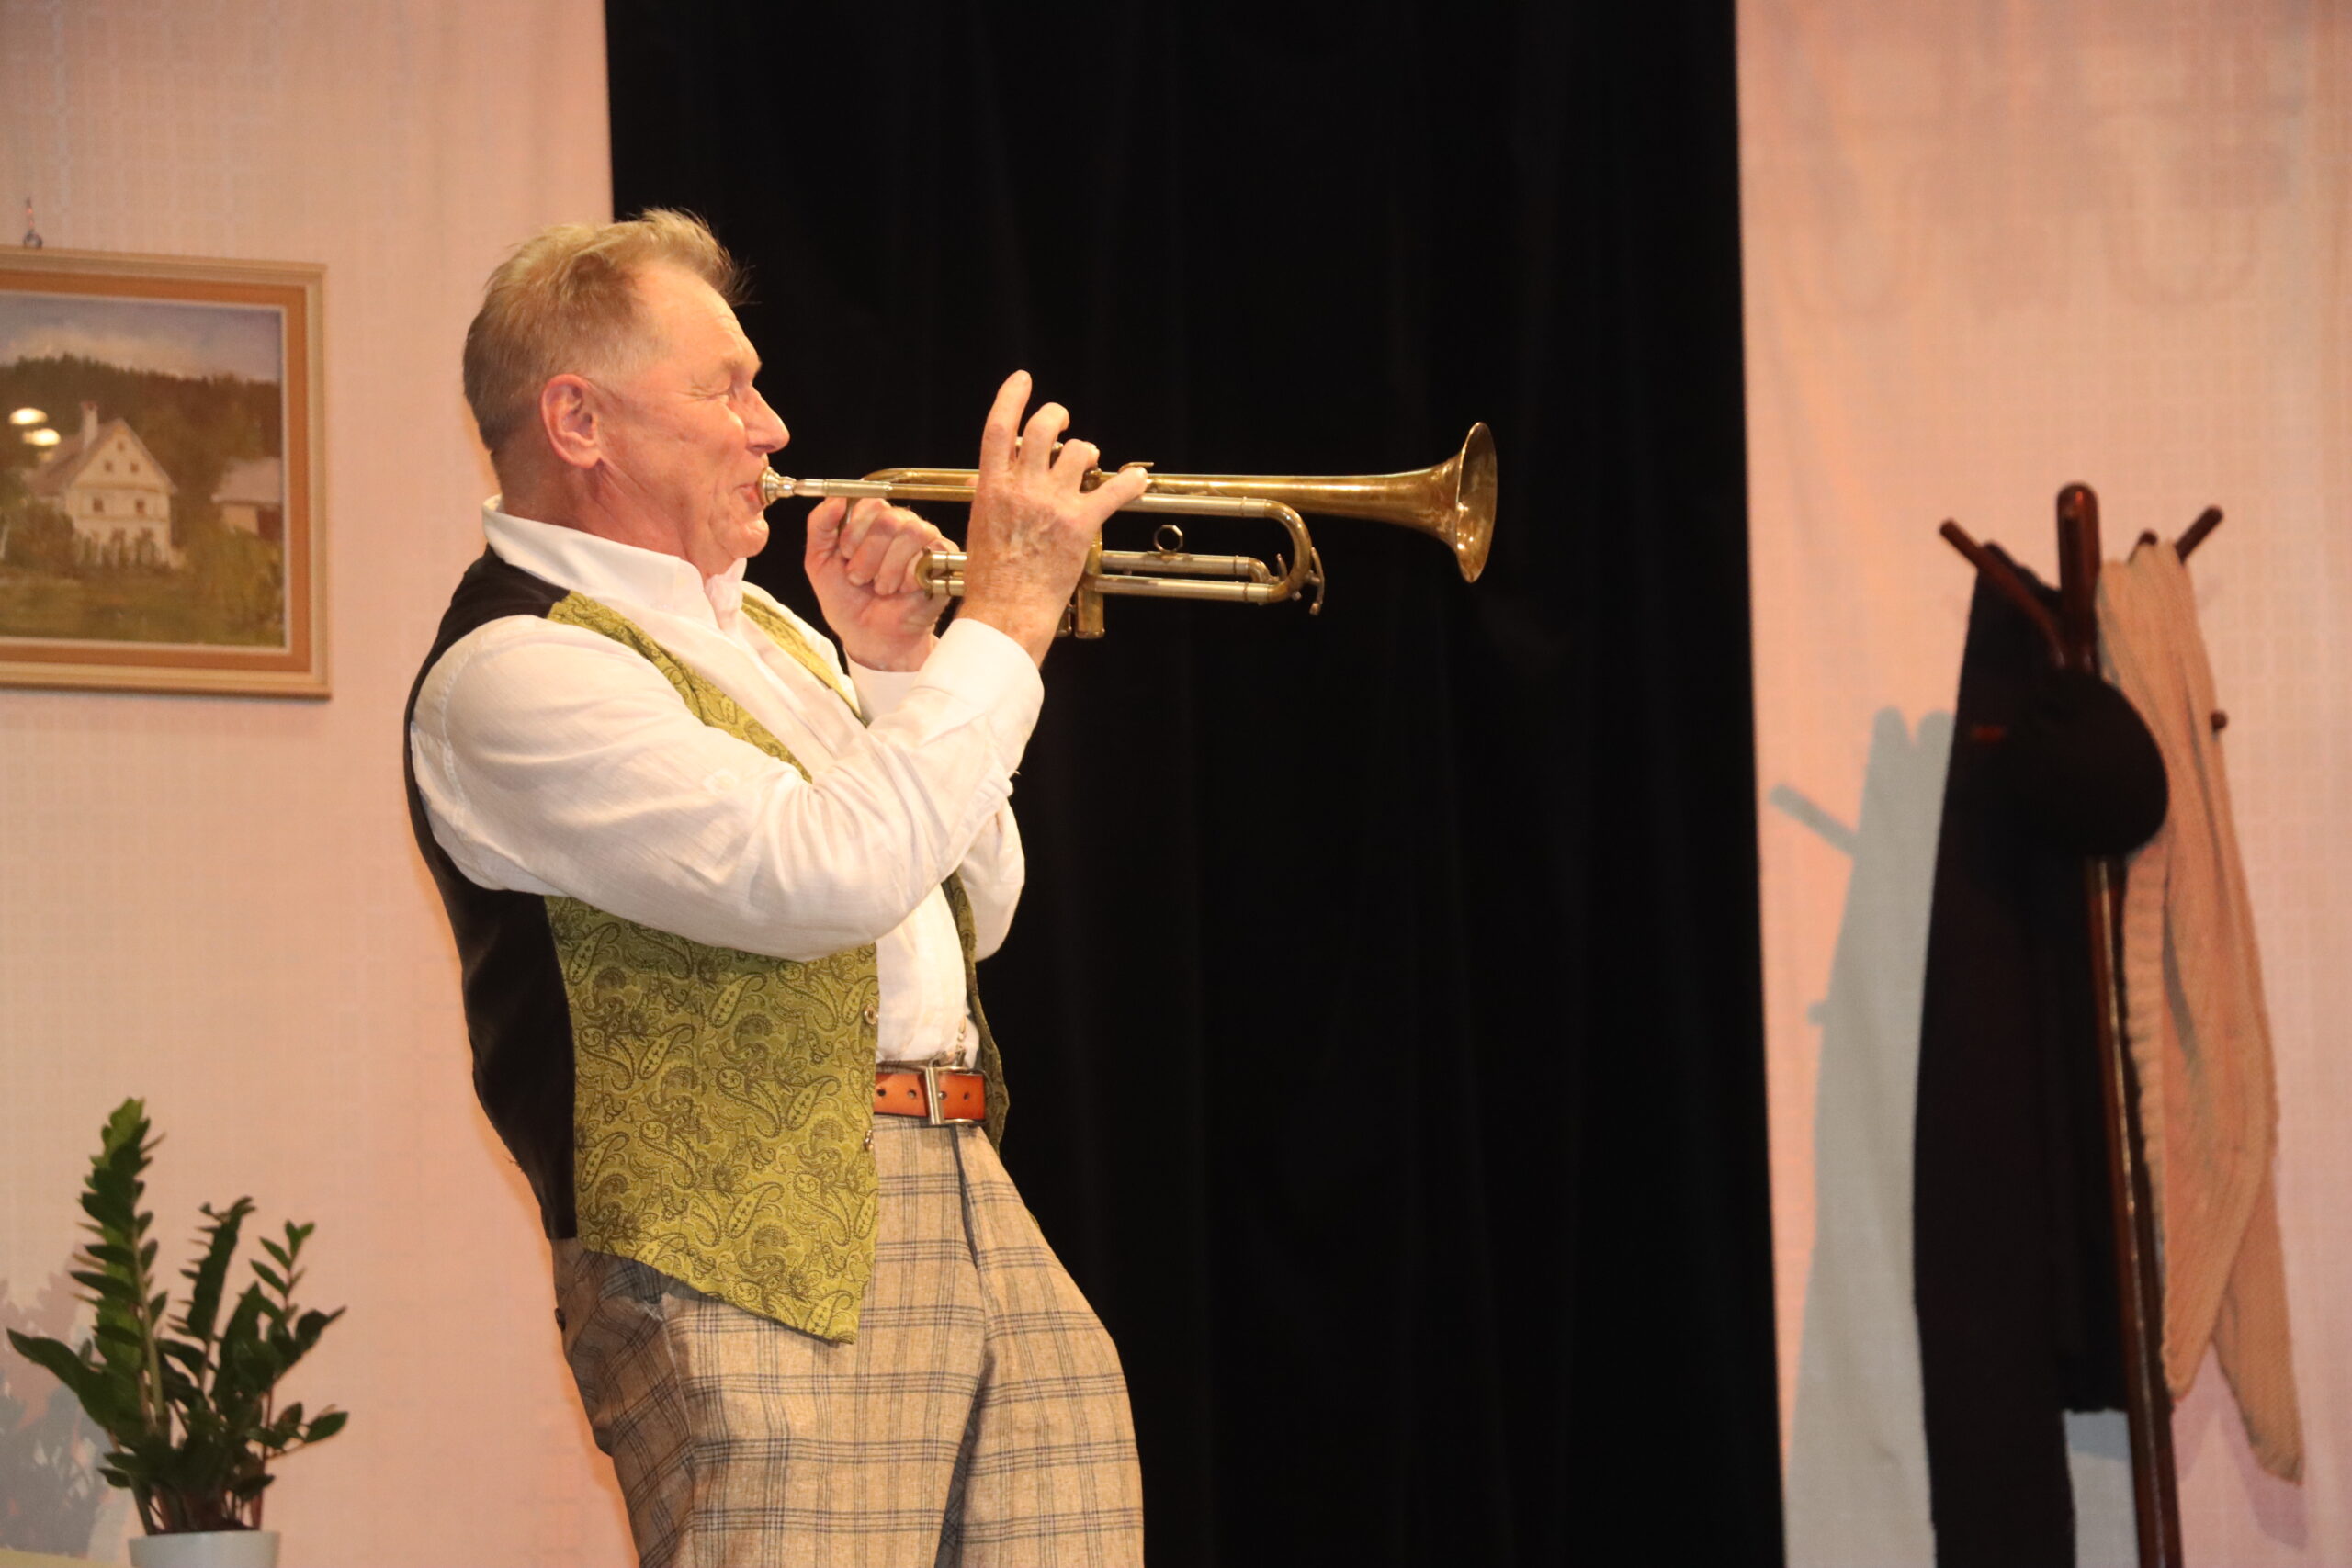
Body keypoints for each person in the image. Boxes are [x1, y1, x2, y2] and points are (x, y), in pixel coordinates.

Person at [402, 209, 1149, 1566]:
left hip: (965, 1182)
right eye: (727, 390)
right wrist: (1009, 615)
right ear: (579, 420)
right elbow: (824, 875)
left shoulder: (758, 628)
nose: (773, 427)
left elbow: (972, 910)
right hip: (744, 1258)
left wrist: (900, 672)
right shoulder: (516, 670)